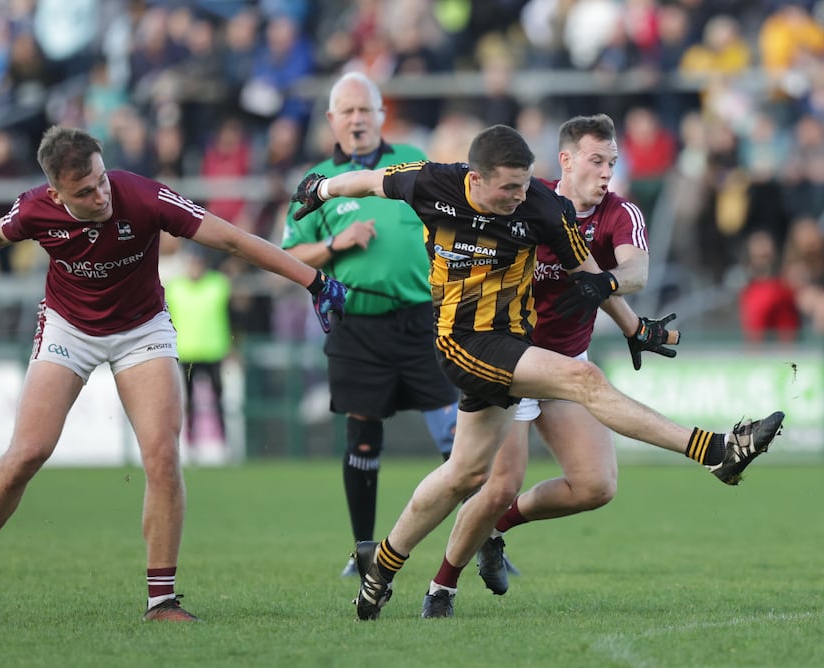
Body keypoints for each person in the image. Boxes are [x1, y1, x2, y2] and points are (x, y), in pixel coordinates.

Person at [290, 123, 785, 621]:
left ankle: (382, 563)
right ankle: (717, 451)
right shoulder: (431, 182)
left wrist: (635, 327)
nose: (518, 196)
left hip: (513, 345)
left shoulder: (545, 208)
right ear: (475, 178)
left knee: (465, 475)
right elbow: (371, 181)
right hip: (461, 340)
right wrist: (320, 188)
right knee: (583, 383)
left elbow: (592, 277)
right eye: (508, 187)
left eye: (525, 184)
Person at [0, 126, 346, 623]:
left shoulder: (141, 195)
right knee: (28, 451)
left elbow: (232, 240)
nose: (100, 195)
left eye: (101, 180)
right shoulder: (35, 208)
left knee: (161, 453)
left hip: (142, 328)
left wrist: (313, 280)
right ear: (56, 194)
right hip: (68, 327)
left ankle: (161, 601)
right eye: (85, 192)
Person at [422, 114, 685, 618]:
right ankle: (441, 588)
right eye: (596, 160)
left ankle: (496, 530)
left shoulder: (620, 212)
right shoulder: (526, 200)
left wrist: (625, 314)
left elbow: (632, 271)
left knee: (596, 486)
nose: (607, 171)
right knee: (497, 484)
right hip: (506, 358)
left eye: (613, 161)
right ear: (565, 160)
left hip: (566, 363)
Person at [281, 71, 459, 577]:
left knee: (458, 439)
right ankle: (362, 551)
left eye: (366, 110)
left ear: (382, 115)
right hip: (358, 326)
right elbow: (290, 257)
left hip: (426, 319)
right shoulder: (315, 183)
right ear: (332, 120)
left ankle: (483, 544)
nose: (357, 120)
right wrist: (337, 244)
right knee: (362, 437)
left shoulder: (413, 161)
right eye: (347, 111)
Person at [164, 247, 233, 463]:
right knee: (189, 402)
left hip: (214, 351)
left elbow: (233, 316)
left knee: (219, 400)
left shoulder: (218, 285)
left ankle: (224, 445)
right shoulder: (174, 288)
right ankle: (191, 445)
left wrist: (233, 346)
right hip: (187, 352)